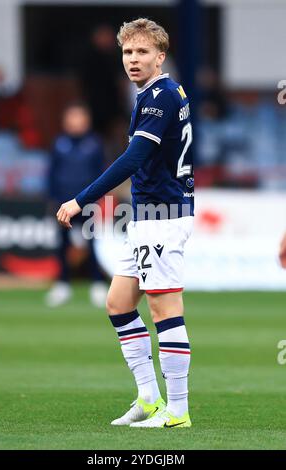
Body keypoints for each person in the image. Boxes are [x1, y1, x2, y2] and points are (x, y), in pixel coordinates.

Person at [56, 18, 194, 428]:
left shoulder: (159, 98)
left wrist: (81, 199)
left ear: (160, 56)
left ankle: (178, 411)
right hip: (148, 217)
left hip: (163, 218)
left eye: (142, 52)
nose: (133, 59)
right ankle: (149, 399)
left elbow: (133, 159)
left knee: (163, 308)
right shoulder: (158, 92)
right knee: (118, 304)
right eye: (127, 52)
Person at [46, 102, 108, 308]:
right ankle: (62, 285)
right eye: (72, 117)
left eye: (79, 117)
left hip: (86, 203)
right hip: (63, 202)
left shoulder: (94, 144)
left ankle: (97, 284)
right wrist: (52, 197)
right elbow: (51, 173)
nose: (75, 122)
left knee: (91, 244)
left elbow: (101, 174)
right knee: (62, 244)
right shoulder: (59, 143)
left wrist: (95, 198)